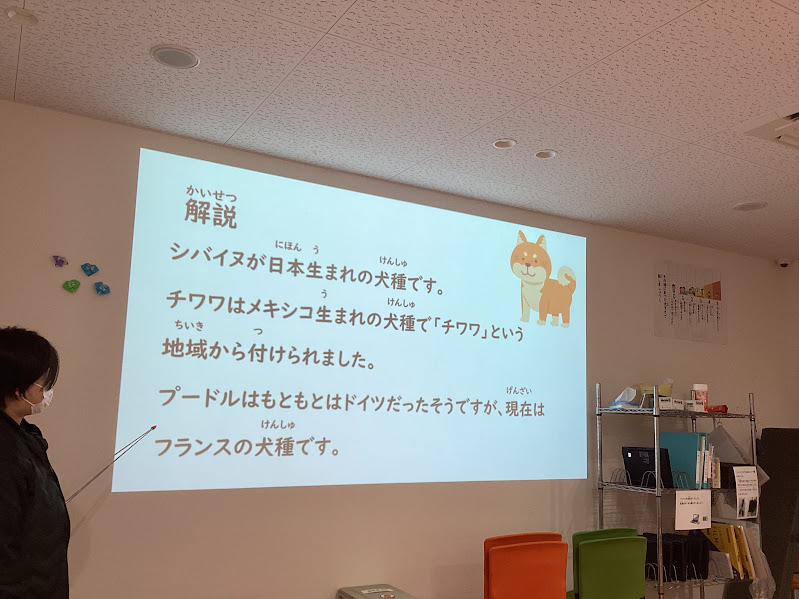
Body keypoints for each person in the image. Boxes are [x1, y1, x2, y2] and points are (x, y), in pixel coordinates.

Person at [0, 326, 70, 599]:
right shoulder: (6, 451)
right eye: (44, 382)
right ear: (18, 387)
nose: (48, 390)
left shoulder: (22, 434)